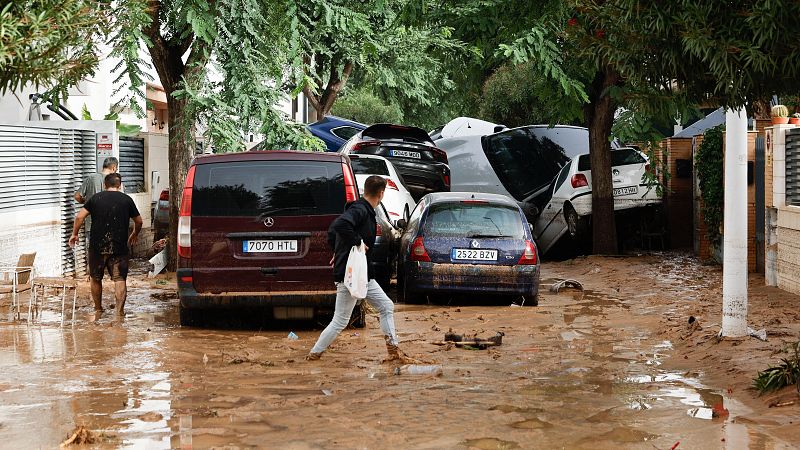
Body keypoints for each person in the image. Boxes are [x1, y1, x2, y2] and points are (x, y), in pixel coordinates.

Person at [307, 176, 410, 361]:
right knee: (340, 320)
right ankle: (314, 354)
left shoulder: (363, 209)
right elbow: (340, 225)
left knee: (386, 306)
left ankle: (393, 352)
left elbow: (332, 230)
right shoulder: (361, 209)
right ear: (381, 193)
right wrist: (357, 242)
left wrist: (338, 251)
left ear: (365, 190)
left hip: (361, 273)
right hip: (351, 274)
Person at [69, 173, 142, 315]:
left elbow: (79, 217)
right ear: (119, 185)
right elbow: (138, 221)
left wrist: (75, 234)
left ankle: (98, 309)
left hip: (97, 246)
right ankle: (119, 312)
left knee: (96, 278)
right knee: (120, 279)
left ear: (104, 184)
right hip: (119, 247)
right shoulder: (127, 200)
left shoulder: (95, 198)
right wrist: (134, 234)